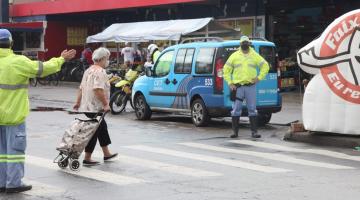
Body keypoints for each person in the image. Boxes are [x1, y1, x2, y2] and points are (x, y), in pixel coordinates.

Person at [0, 28, 76, 193]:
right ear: (11, 43)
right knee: (14, 152)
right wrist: (61, 58)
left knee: (1, 152)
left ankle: (1, 182)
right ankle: (13, 183)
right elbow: (43, 68)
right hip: (14, 116)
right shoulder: (18, 61)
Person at [73, 47, 118, 166]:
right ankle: (87, 158)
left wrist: (78, 103)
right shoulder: (100, 71)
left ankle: (106, 153)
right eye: (107, 58)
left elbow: (81, 88)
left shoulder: (88, 70)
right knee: (94, 131)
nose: (108, 61)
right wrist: (106, 104)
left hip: (87, 106)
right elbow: (98, 90)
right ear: (102, 58)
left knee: (102, 128)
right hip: (95, 107)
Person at [223, 36, 270, 138]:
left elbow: (265, 66)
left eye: (246, 43)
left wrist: (259, 78)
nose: (245, 44)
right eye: (243, 43)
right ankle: (235, 132)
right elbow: (225, 70)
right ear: (240, 44)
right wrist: (230, 83)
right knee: (236, 110)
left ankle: (254, 132)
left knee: (252, 109)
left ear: (249, 44)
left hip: (250, 86)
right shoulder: (234, 56)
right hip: (238, 87)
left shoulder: (254, 55)